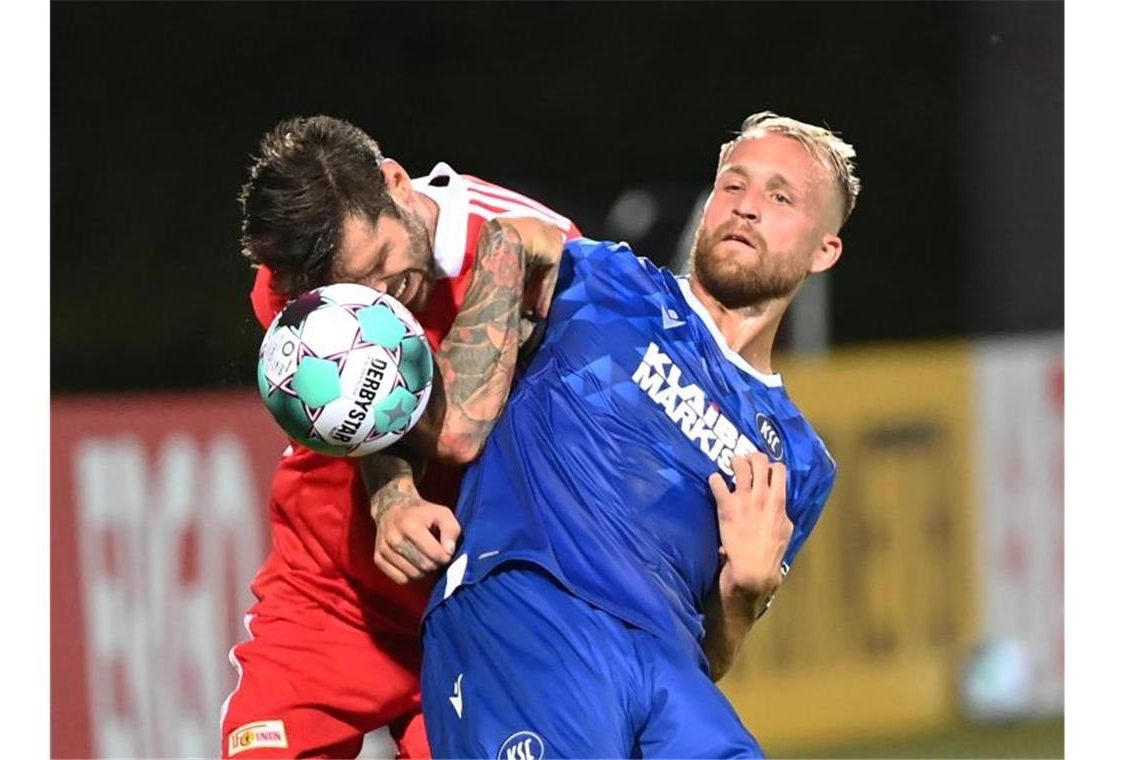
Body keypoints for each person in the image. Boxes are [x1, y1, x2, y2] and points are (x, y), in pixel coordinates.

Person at [418, 112, 860, 758]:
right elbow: (451, 253)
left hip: (666, 673)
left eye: (779, 196)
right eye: (732, 186)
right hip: (534, 615)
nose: (746, 208)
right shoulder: (601, 283)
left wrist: (746, 594)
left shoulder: (795, 461)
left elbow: (713, 656)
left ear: (825, 249)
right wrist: (396, 484)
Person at [220, 115, 579, 759]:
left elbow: (459, 432)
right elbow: (362, 415)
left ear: (394, 182)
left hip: (486, 612)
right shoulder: (291, 287)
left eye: (381, 263)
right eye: (351, 293)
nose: (382, 298)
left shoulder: (536, 244)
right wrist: (393, 499)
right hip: (332, 594)